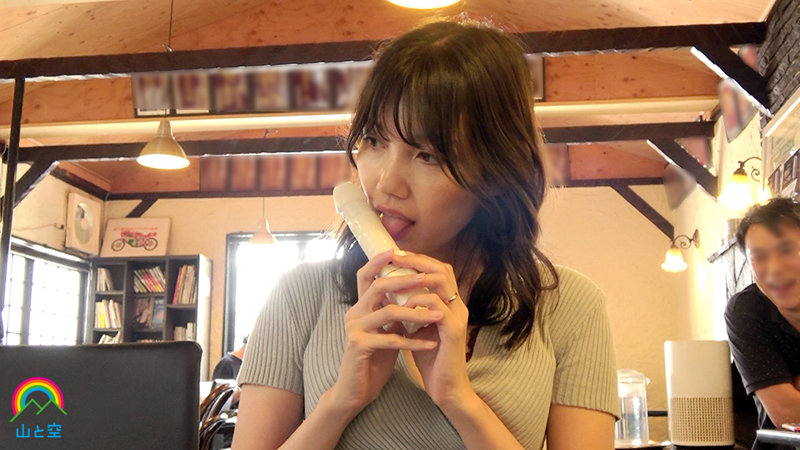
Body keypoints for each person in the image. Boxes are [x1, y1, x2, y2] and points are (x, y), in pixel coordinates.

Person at [233, 20, 619, 449]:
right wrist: (341, 401)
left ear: (496, 172)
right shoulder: (299, 297)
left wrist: (459, 400)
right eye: (374, 140)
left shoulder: (568, 307)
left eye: (428, 155)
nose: (385, 184)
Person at [726, 198, 800, 444]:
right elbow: (788, 415)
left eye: (787, 250)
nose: (774, 268)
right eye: (759, 257)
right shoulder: (747, 309)